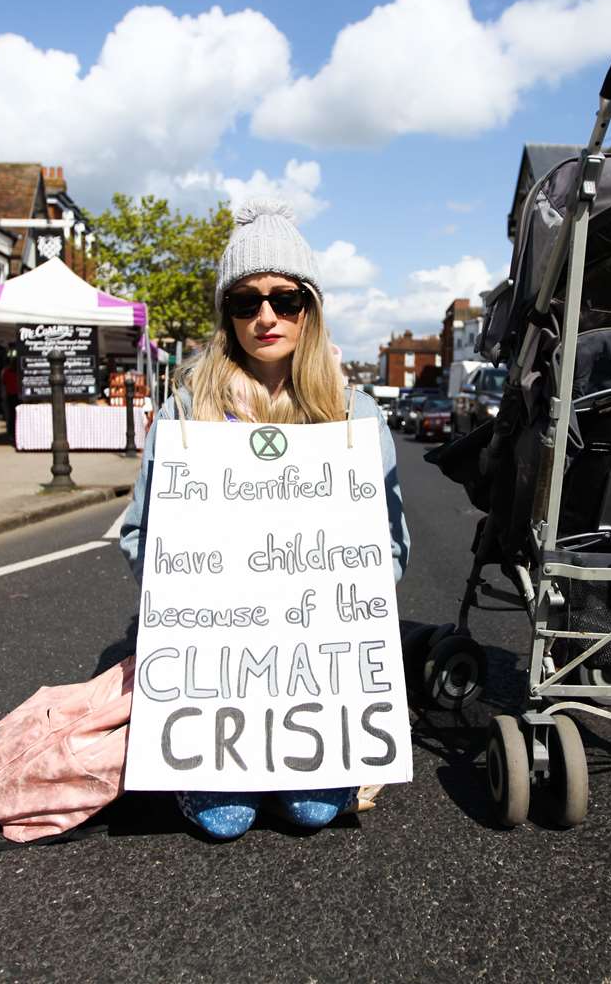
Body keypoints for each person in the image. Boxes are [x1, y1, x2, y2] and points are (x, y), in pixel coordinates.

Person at [118, 199, 410, 841]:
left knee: (313, 811)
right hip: (218, 654)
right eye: (246, 302)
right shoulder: (186, 414)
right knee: (224, 821)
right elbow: (141, 532)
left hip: (309, 654)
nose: (267, 316)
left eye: (285, 299)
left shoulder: (355, 414)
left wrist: (345, 605)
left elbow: (389, 544)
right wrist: (181, 599)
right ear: (227, 315)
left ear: (310, 307)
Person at [0, 355, 21, 445]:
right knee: (12, 417)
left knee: (14, 416)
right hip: (12, 396)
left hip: (15, 396)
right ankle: (12, 434)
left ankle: (13, 434)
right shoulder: (8, 372)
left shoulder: (9, 372)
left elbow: (3, 384)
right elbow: (3, 384)